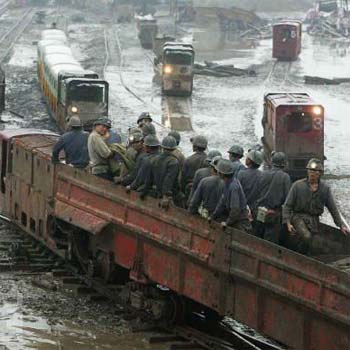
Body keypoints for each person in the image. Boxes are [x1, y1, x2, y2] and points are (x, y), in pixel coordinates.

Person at [283, 158, 349, 254]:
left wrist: (341, 225)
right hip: (298, 218)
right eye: (310, 170)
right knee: (307, 236)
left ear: (320, 174)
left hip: (314, 220)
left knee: (312, 241)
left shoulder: (325, 189)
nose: (312, 173)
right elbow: (287, 206)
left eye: (315, 171)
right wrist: (288, 223)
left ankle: (302, 255)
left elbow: (333, 208)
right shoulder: (297, 186)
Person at [254, 152, 291, 244]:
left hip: (260, 211)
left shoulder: (262, 174)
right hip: (274, 213)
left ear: (272, 161)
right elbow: (287, 199)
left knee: (258, 237)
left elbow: (256, 192)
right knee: (270, 242)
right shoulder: (285, 177)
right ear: (284, 163)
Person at [211, 159, 251, 231]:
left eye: (218, 171)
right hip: (235, 220)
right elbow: (222, 203)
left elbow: (235, 209)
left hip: (240, 223)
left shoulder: (233, 186)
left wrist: (227, 222)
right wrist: (213, 216)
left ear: (222, 174)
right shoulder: (227, 184)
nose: (217, 173)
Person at [142, 136, 181, 209]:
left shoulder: (154, 159)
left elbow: (148, 179)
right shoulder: (174, 162)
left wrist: (144, 192)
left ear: (162, 147)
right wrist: (165, 196)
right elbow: (169, 180)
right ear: (174, 148)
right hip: (169, 196)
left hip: (155, 192)